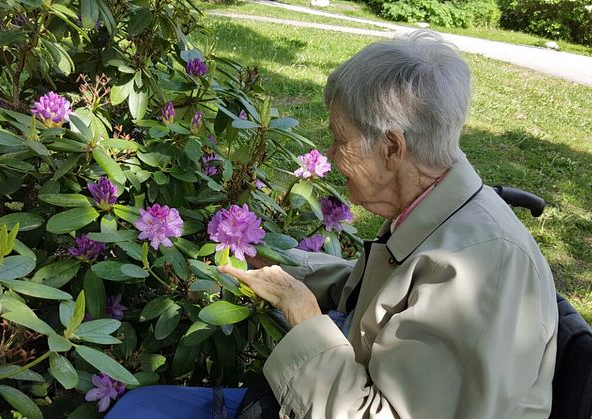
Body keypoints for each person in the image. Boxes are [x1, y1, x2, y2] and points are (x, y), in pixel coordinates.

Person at [109, 30, 558, 419]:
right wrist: (285, 267)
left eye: (340, 139)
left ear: (392, 148)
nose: (329, 151)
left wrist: (303, 315)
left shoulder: (476, 272)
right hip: (332, 388)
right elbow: (378, 297)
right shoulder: (434, 206)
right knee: (139, 407)